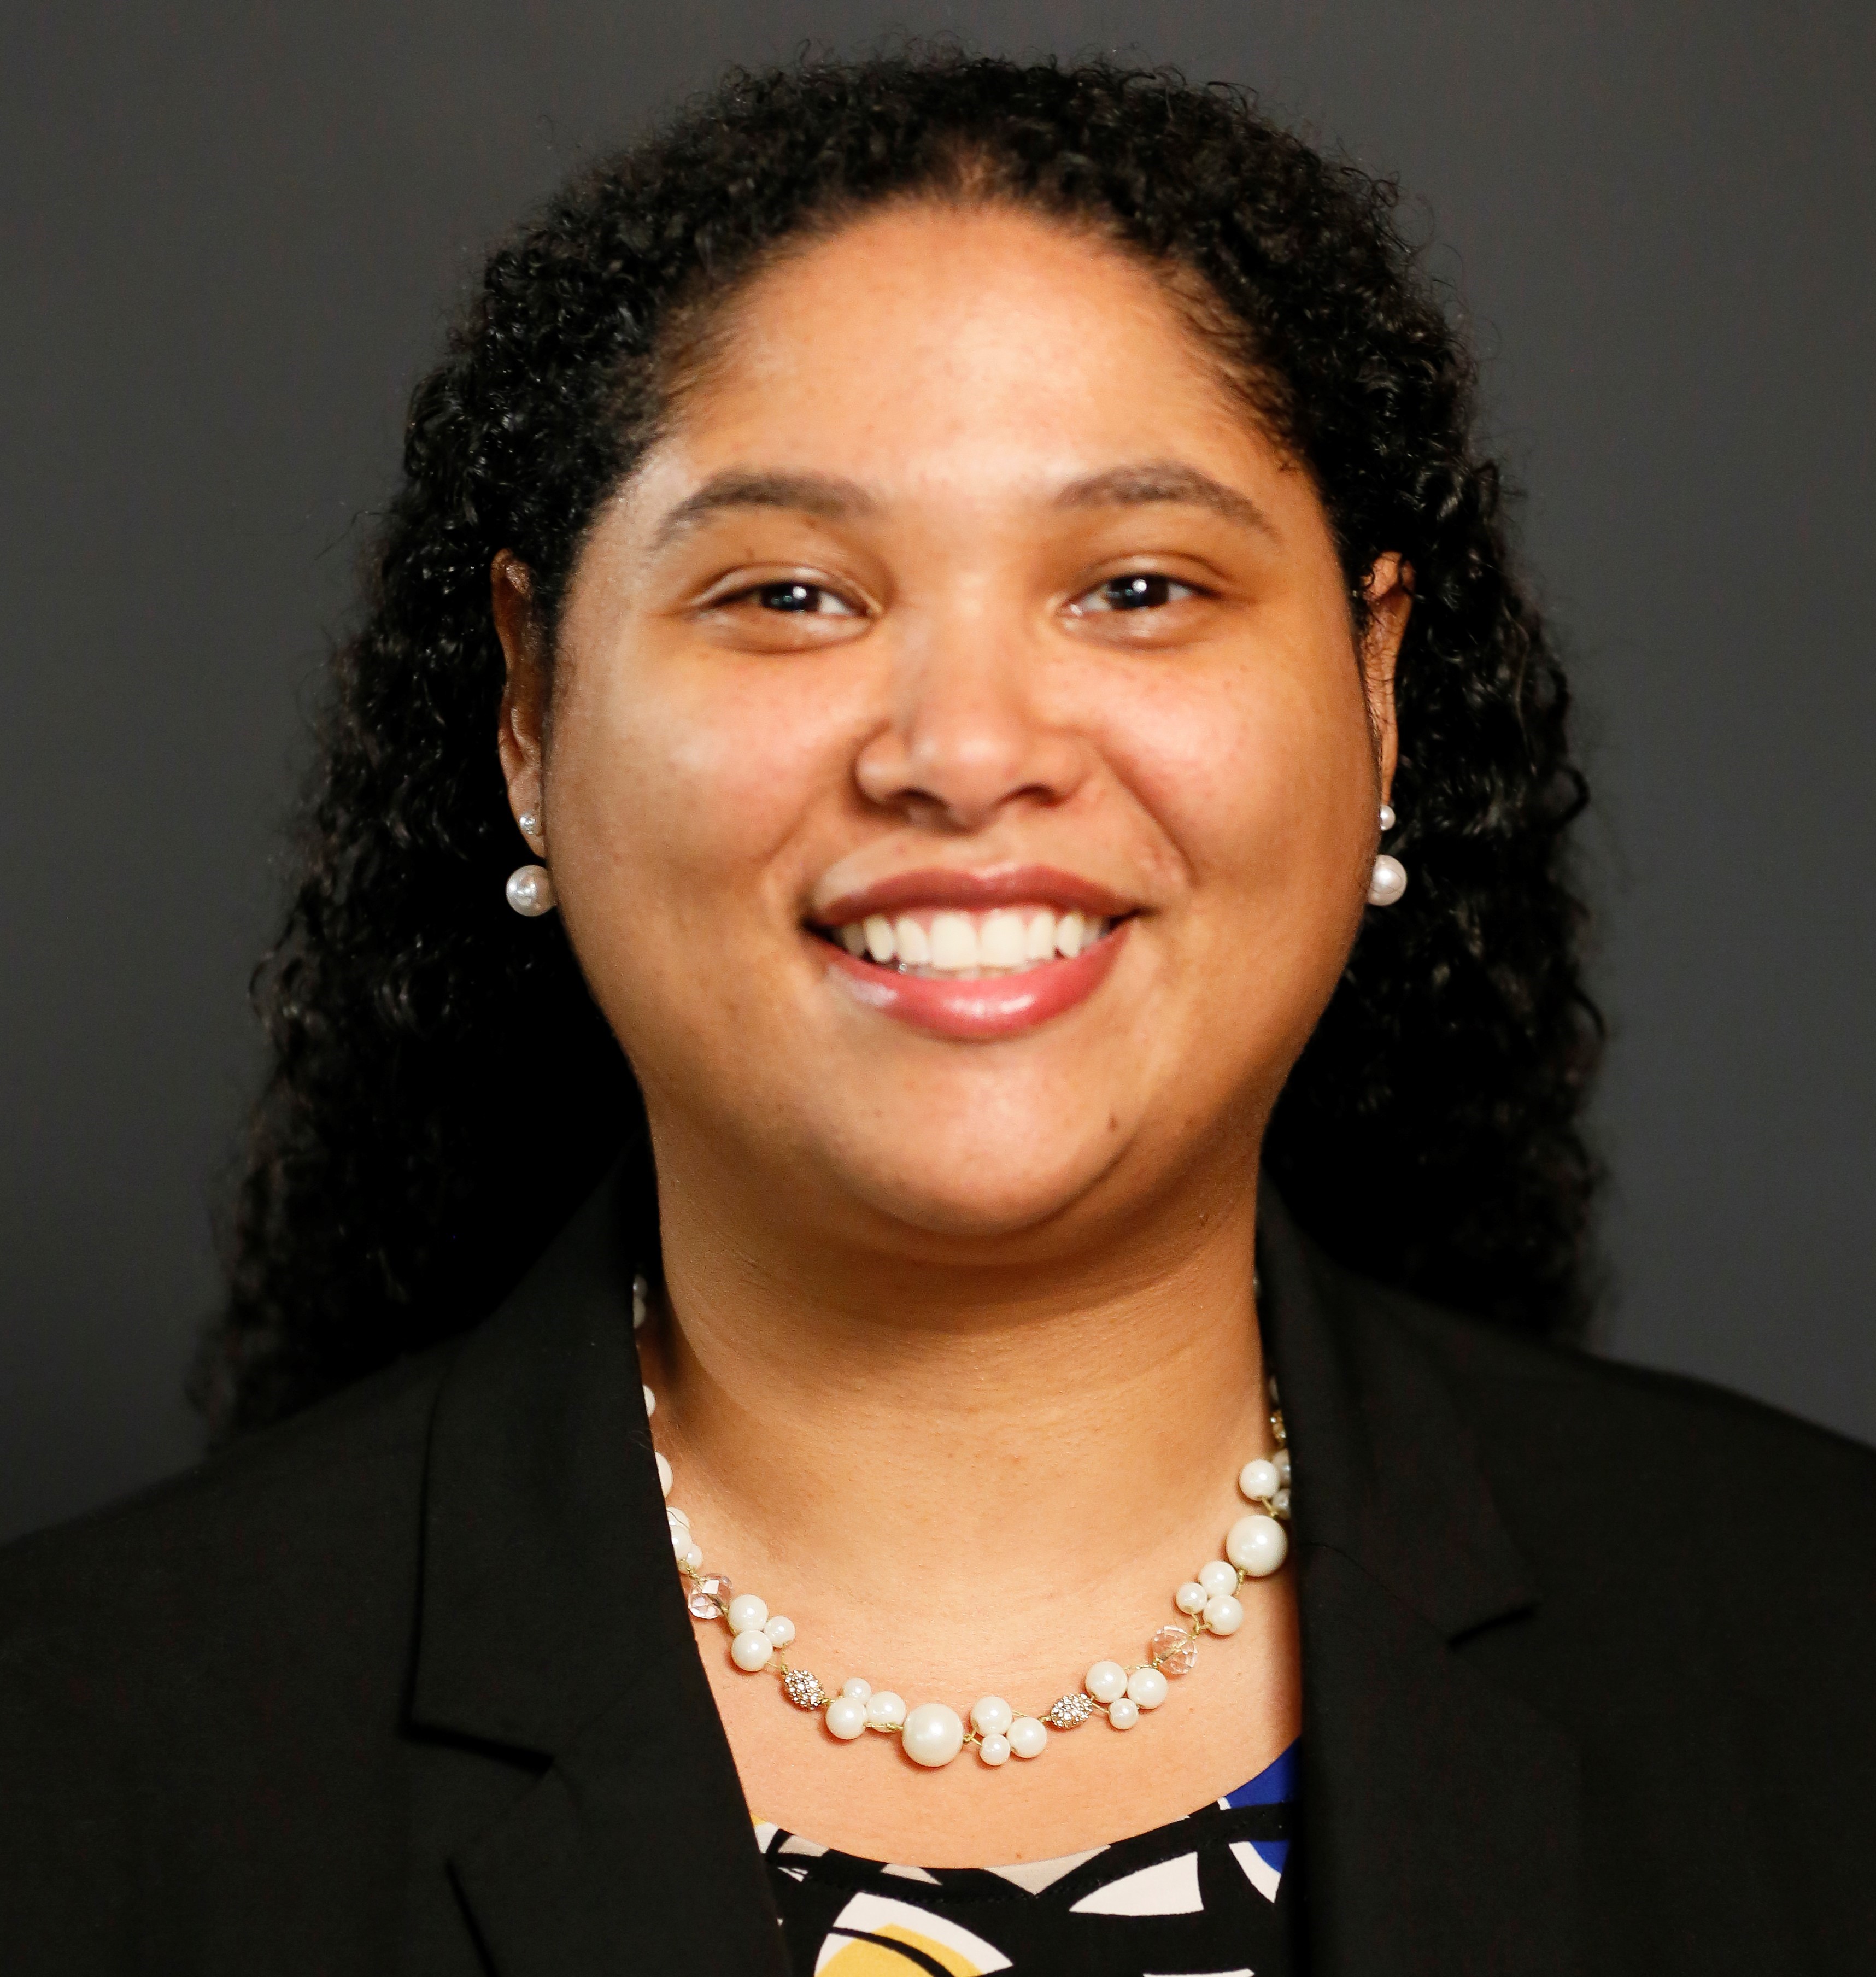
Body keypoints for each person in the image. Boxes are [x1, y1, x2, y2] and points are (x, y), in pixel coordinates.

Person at [2, 52, 1870, 1977]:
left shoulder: (1821, 1653)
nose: (968, 754)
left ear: (1376, 693)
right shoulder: (69, 1768)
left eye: (1139, 586)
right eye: (795, 594)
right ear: (529, 713)